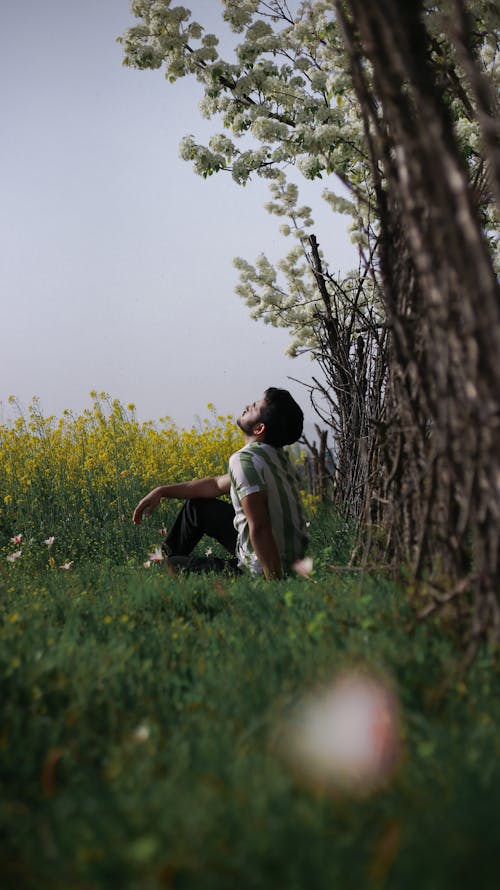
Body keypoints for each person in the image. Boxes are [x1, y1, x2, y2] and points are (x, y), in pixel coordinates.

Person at [132, 388, 309, 579]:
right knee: (197, 507)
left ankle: (160, 565)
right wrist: (162, 491)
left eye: (254, 407)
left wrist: (275, 584)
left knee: (168, 566)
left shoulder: (244, 461)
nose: (247, 406)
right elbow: (216, 485)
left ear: (259, 428)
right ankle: (162, 558)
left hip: (261, 570)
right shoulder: (277, 459)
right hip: (291, 561)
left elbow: (260, 527)